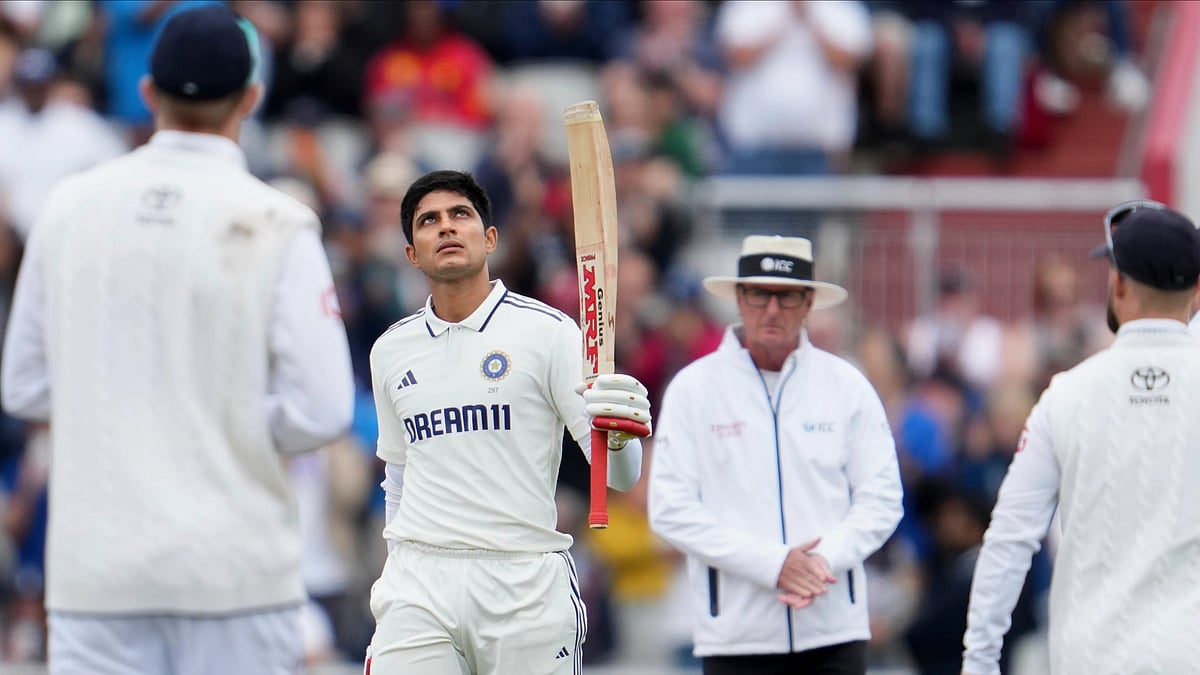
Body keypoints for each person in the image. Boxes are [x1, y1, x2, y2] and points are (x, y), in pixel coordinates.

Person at [0, 6, 356, 674]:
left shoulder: (67, 206)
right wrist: (224, 419)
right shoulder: (278, 220)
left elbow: (23, 385)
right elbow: (324, 409)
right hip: (234, 572)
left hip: (97, 575)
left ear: (146, 92)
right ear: (251, 97)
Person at [365, 169, 652, 675]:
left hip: (523, 580)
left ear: (490, 238)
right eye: (429, 221)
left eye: (461, 215)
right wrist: (396, 564)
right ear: (412, 252)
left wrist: (622, 433)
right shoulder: (390, 349)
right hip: (419, 581)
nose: (447, 227)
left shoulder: (549, 334)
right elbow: (399, 474)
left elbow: (619, 478)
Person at [961, 201, 1200, 675]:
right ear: (1196, 288)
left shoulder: (1066, 394)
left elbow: (1009, 538)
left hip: (1091, 657)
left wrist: (979, 662)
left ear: (1118, 283)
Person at [648, 235, 904, 675]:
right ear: (739, 299)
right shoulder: (694, 389)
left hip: (833, 631)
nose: (771, 309)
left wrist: (821, 562)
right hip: (735, 635)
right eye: (759, 293)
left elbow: (882, 499)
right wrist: (773, 565)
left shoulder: (847, 385)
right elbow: (670, 510)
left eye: (786, 296)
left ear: (808, 304)